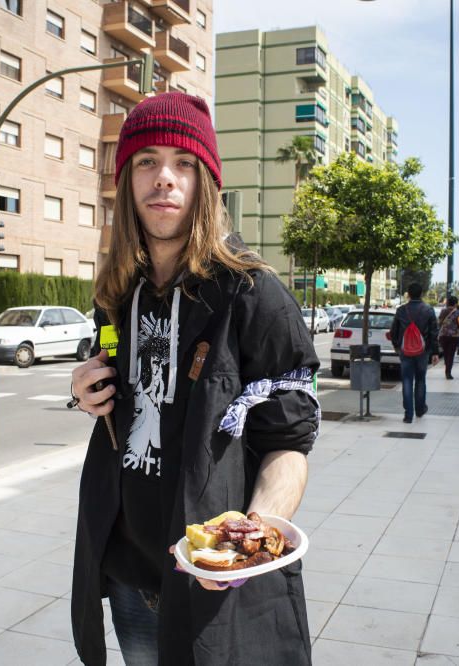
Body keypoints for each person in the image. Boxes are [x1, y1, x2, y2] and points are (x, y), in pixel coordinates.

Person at [68, 92, 319, 666]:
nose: (164, 178)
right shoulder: (117, 292)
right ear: (127, 180)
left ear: (205, 181)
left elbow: (290, 441)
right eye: (147, 161)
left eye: (183, 163)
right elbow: (111, 388)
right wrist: (83, 390)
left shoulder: (253, 294)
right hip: (130, 573)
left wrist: (246, 545)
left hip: (212, 580)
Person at [389, 283, 440, 423]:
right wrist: (435, 352)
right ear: (422, 293)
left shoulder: (401, 310)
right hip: (423, 351)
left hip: (405, 351)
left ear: (409, 294)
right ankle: (420, 409)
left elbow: (393, 331)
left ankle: (408, 414)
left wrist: (396, 346)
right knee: (420, 380)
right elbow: (433, 332)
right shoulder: (429, 310)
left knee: (406, 380)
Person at [437, 295, 459, 379]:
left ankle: (447, 367)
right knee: (451, 354)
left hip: (443, 335)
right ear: (455, 303)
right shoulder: (458, 312)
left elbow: (439, 323)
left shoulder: (443, 311)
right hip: (454, 336)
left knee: (446, 353)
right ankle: (448, 371)